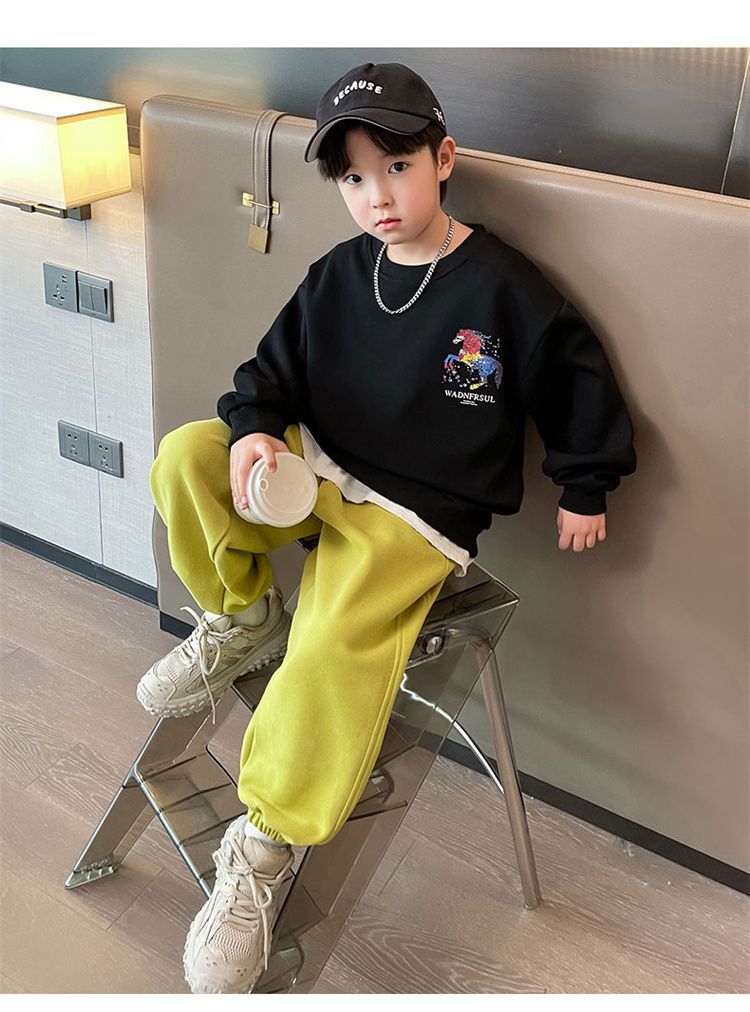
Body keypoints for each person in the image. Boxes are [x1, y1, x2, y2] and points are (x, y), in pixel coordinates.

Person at [140, 62, 637, 994]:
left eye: (397, 167)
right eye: (354, 177)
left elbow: (577, 377)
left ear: (443, 160)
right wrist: (254, 433)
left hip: (418, 513)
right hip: (318, 464)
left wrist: (586, 483)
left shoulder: (503, 287)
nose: (377, 196)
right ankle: (241, 617)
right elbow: (268, 374)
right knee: (185, 457)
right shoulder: (340, 272)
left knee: (334, 639)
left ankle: (264, 848)